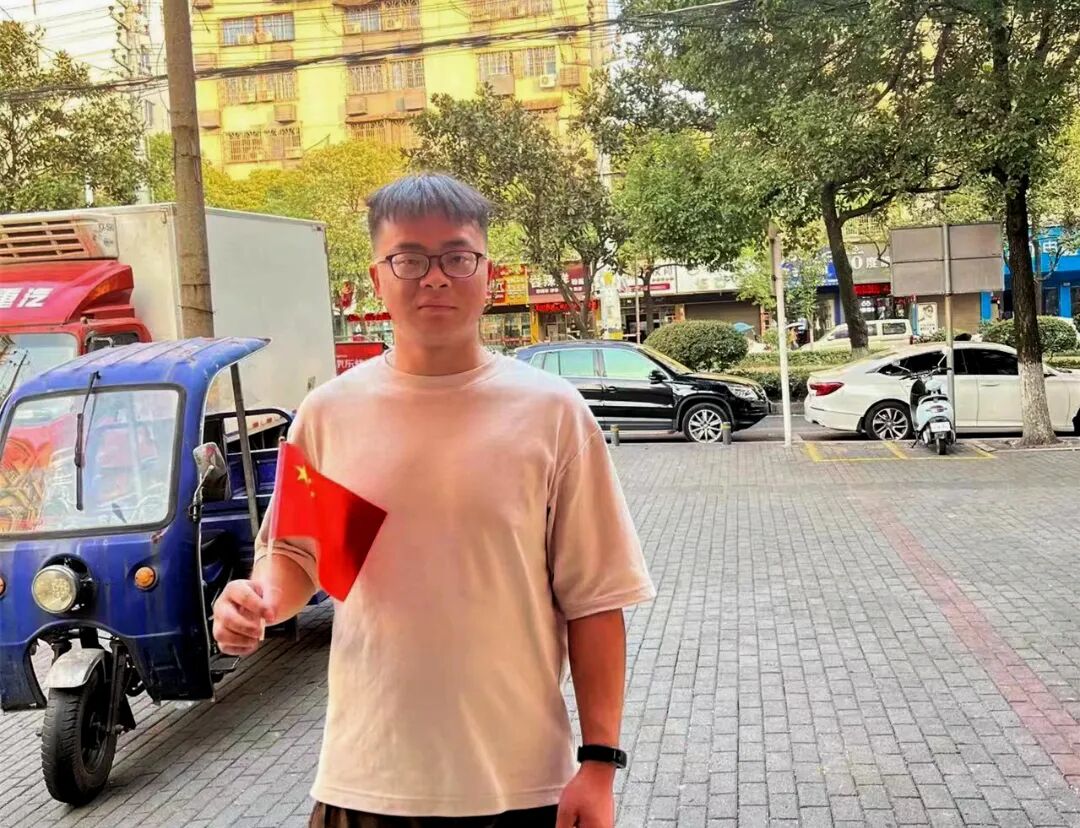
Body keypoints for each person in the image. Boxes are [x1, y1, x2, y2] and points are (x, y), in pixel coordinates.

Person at [212, 173, 655, 828]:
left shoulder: (551, 414)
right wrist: (260, 602)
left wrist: (599, 765)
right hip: (367, 780)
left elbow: (594, 600)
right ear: (377, 278)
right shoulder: (331, 415)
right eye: (410, 259)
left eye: (456, 256)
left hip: (521, 783)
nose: (436, 277)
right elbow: (301, 558)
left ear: (487, 273)